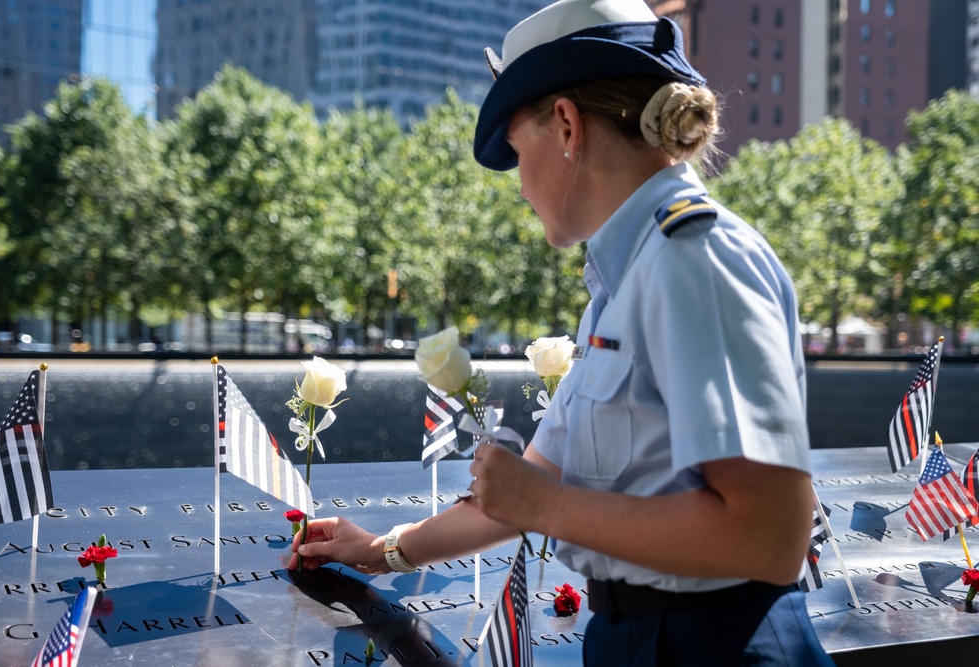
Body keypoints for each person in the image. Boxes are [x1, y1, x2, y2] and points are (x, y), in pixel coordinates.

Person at [291, 1, 834, 664]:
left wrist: (547, 505)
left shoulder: (695, 259)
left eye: (518, 151)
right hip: (645, 638)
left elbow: (770, 538)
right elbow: (520, 493)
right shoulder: (629, 276)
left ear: (568, 126)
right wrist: (381, 550)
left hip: (716, 644)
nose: (520, 184)